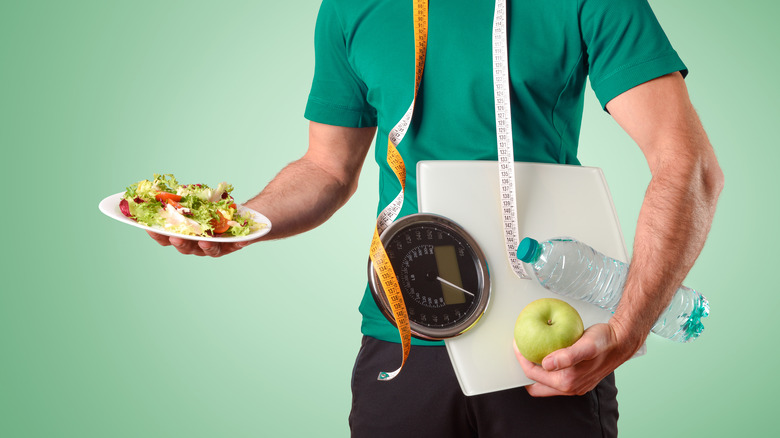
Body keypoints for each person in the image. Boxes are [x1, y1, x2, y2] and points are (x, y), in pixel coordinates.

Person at [148, 0, 724, 436]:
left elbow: (688, 167)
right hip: (402, 339)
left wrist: (625, 333)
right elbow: (326, 168)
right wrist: (240, 220)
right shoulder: (353, 6)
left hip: (544, 354)